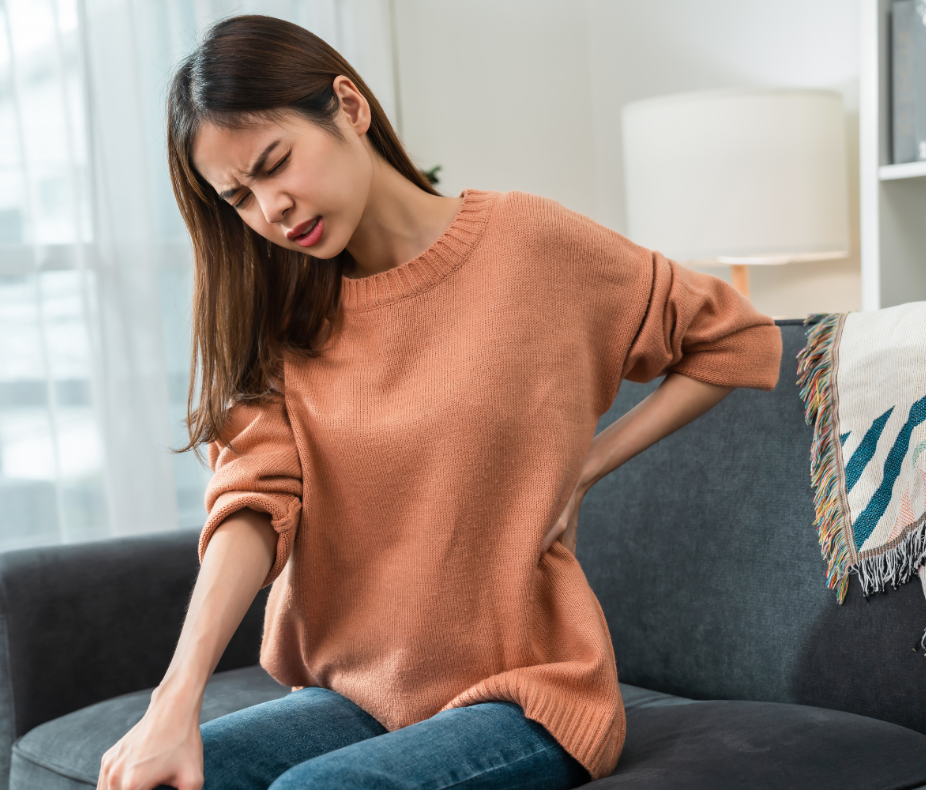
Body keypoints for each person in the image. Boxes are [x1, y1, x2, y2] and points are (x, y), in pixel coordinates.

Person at [96, 13, 782, 790]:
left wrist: (586, 465)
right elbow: (251, 504)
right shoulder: (286, 319)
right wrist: (174, 700)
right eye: (240, 198)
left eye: (274, 163)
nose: (272, 210)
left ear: (347, 107)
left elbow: (737, 340)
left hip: (526, 696)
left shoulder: (529, 245)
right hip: (357, 695)